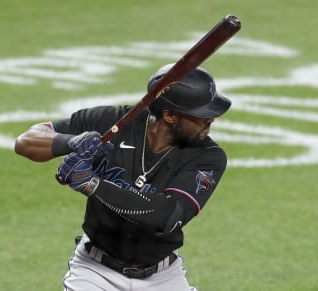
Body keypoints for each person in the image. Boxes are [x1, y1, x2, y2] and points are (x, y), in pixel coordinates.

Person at [14, 63, 231, 291]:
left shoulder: (208, 157)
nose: (211, 120)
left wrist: (93, 185)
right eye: (201, 115)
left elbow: (168, 217)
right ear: (169, 115)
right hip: (95, 271)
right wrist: (70, 142)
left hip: (163, 277)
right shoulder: (112, 123)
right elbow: (26, 141)